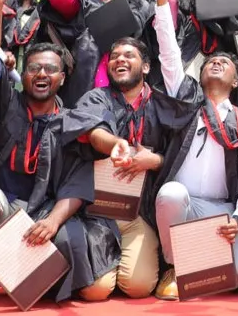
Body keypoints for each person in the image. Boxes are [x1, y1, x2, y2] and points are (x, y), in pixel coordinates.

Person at [0, 0, 97, 309]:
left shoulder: (69, 121)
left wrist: (52, 221)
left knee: (74, 254)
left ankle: (25, 273)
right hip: (2, 211)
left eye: (50, 69)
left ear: (63, 78)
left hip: (43, 213)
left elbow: (78, 183)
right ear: (24, 73)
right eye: (34, 68)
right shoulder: (6, 102)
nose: (42, 74)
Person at [146, 0, 238, 299]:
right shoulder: (185, 97)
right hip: (184, 206)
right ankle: (174, 264)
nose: (216, 63)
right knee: (168, 193)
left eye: (224, 62)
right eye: (211, 61)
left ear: (237, 80)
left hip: (222, 209)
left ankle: (202, 262)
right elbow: (168, 50)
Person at [64, 25, 197, 301]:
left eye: (128, 55)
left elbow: (176, 151)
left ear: (146, 67)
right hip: (100, 211)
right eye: (114, 56)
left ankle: (132, 264)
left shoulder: (161, 104)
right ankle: (105, 269)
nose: (119, 60)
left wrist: (155, 160)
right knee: (95, 292)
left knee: (138, 287)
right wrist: (114, 143)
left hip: (140, 213)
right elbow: (90, 129)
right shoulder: (98, 97)